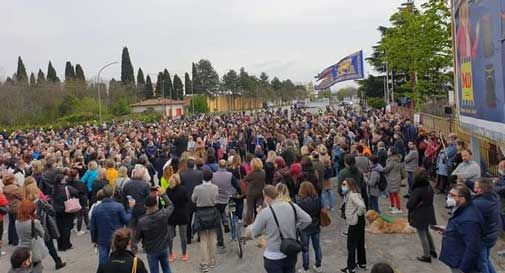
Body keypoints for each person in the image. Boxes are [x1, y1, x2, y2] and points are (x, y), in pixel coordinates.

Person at [246, 185, 311, 273]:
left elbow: (255, 232)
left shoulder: (265, 212)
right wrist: (296, 228)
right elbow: (307, 220)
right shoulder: (291, 205)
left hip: (274, 256)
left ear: (267, 197)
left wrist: (258, 216)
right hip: (290, 252)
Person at [22, 178, 66, 270]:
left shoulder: (24, 203)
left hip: (30, 227)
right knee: (50, 245)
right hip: (43, 226)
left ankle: (34, 265)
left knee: (33, 247)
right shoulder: (40, 202)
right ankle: (57, 261)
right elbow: (51, 211)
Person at [440, 184, 484, 273]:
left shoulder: (469, 220)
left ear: (462, 198)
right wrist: (448, 231)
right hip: (455, 258)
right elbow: (461, 231)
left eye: (452, 195)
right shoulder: (461, 209)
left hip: (459, 263)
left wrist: (462, 268)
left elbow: (472, 246)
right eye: (449, 194)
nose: (448, 197)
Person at [91, 186, 135, 266]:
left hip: (102, 237)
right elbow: (126, 220)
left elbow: (93, 227)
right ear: (112, 194)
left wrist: (94, 239)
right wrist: (130, 209)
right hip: (116, 236)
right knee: (118, 259)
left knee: (103, 260)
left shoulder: (96, 208)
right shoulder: (119, 206)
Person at [136, 189, 174, 273]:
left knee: (154, 271)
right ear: (156, 204)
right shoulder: (163, 214)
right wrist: (163, 195)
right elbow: (171, 205)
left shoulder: (142, 221)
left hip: (151, 249)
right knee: (166, 268)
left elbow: (137, 238)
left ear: (145, 206)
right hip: (163, 246)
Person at [406, 169, 437, 263]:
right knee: (427, 231)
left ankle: (426, 255)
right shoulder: (429, 185)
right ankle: (432, 250)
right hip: (429, 211)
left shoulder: (418, 188)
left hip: (420, 213)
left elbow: (410, 204)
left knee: (422, 234)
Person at [191, 169, 219, 273]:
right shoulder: (215, 187)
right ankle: (212, 261)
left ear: (202, 177)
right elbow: (216, 199)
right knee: (212, 237)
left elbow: (193, 199)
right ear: (211, 177)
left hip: (201, 212)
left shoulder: (197, 188)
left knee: (203, 239)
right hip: (212, 211)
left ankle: (204, 263)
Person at [472, 178, 501, 273]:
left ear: (481, 189)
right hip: (492, 234)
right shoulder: (493, 197)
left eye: (475, 186)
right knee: (486, 259)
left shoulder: (478, 204)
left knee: (482, 262)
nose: (473, 188)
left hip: (483, 237)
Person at [121, 165, 151, 254]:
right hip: (142, 210)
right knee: (144, 228)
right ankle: (145, 245)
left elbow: (123, 198)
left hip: (131, 210)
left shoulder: (127, 184)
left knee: (131, 229)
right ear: (142, 175)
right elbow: (148, 198)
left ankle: (133, 247)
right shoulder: (145, 185)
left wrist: (126, 208)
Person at [212, 159, 240, 248]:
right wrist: (239, 192)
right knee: (229, 212)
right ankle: (231, 230)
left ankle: (220, 241)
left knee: (217, 220)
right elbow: (236, 185)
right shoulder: (230, 175)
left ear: (218, 166)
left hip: (216, 199)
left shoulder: (213, 175)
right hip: (227, 198)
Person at [296, 182, 322, 273]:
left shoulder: (300, 202)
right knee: (317, 247)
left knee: (305, 248)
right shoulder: (317, 199)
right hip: (315, 225)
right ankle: (318, 265)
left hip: (305, 227)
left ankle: (305, 267)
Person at [341, 178, 366, 273]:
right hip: (359, 221)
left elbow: (362, 206)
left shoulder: (353, 195)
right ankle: (361, 263)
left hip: (355, 222)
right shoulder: (355, 194)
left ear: (350, 185)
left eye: (344, 184)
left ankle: (351, 267)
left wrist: (356, 215)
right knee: (360, 242)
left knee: (351, 245)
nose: (342, 186)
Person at [15, 200, 46, 272]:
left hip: (21, 248)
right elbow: (42, 233)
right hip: (33, 249)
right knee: (37, 268)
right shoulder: (35, 222)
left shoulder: (17, 221)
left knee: (26, 269)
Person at [51, 173, 78, 251]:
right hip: (67, 209)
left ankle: (60, 245)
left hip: (57, 210)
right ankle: (66, 244)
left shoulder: (54, 188)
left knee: (59, 227)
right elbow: (76, 192)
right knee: (67, 227)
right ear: (62, 180)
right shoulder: (67, 188)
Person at [166, 174, 190, 262]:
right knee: (183, 236)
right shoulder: (183, 189)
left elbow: (165, 202)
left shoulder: (168, 190)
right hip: (182, 214)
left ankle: (170, 254)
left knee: (170, 236)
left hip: (171, 215)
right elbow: (187, 200)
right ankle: (184, 254)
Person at [180, 158, 203, 244]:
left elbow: (181, 187)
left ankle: (188, 238)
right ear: (194, 165)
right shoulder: (199, 174)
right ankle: (200, 236)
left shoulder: (182, 175)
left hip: (187, 200)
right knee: (199, 218)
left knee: (188, 220)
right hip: (197, 199)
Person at [66, 169, 89, 236]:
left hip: (73, 200)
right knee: (80, 215)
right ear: (77, 175)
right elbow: (85, 190)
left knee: (73, 215)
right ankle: (79, 230)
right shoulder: (80, 183)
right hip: (81, 200)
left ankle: (72, 227)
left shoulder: (68, 182)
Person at [383, 148, 405, 214]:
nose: (387, 151)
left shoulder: (391, 161)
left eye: (388, 150)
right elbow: (402, 170)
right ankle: (393, 205)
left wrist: (381, 169)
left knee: (394, 193)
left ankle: (398, 208)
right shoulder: (398, 159)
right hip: (397, 178)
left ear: (391, 153)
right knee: (393, 193)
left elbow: (386, 169)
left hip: (392, 178)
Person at [244, 158, 266, 225]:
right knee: (259, 207)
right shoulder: (263, 172)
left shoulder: (251, 173)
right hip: (260, 192)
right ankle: (259, 222)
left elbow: (245, 179)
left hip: (251, 193)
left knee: (250, 209)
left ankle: (248, 223)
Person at [4, 175, 22, 245]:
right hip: (16, 207)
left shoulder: (5, 188)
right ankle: (15, 240)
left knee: (11, 223)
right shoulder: (15, 188)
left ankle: (10, 239)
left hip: (9, 207)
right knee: (16, 223)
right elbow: (21, 196)